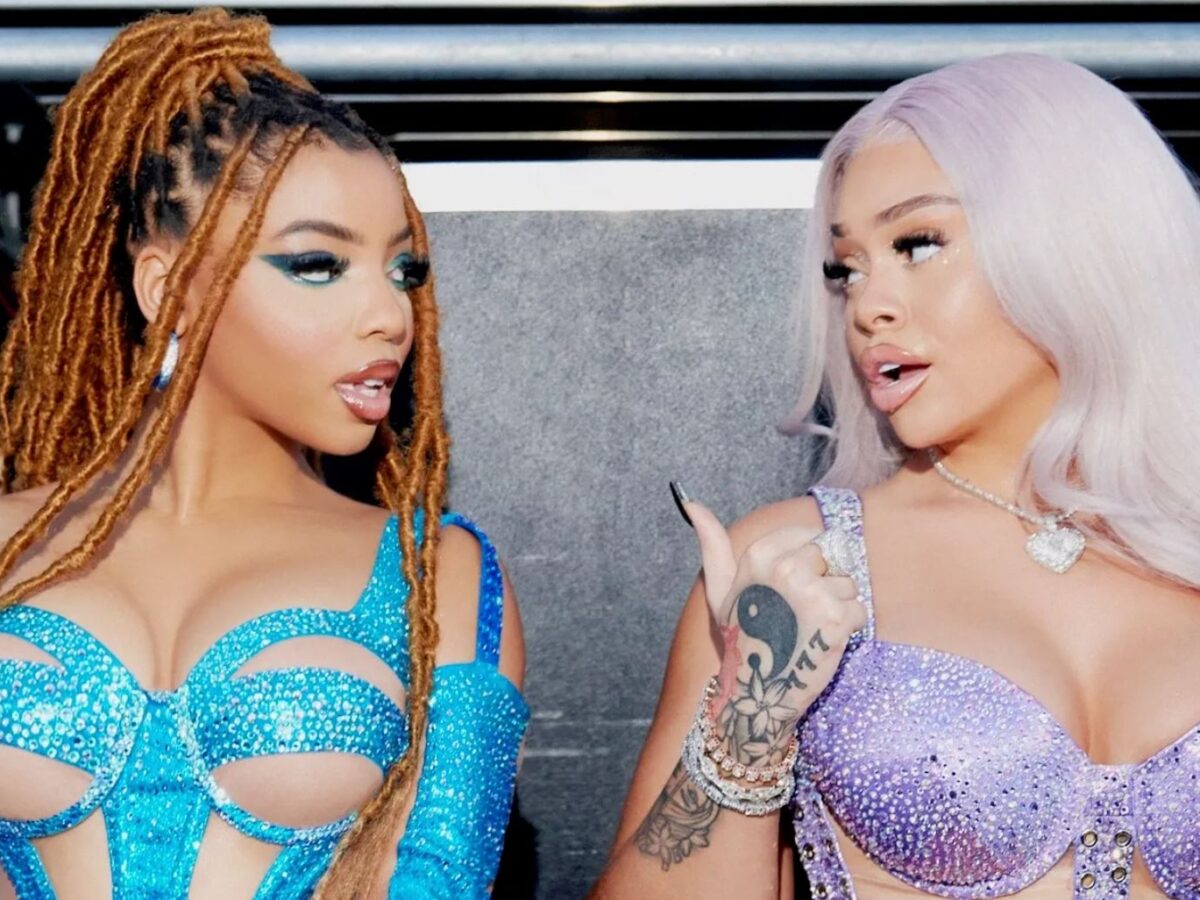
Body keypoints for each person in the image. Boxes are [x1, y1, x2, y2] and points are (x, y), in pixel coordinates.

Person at [594, 53, 1200, 899]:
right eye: (847, 268)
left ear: (1079, 242)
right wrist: (749, 721)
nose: (867, 305)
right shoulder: (799, 560)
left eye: (918, 244)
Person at [0, 9, 526, 899]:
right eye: (319, 265)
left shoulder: (435, 576)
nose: (389, 316)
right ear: (169, 287)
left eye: (403, 271)